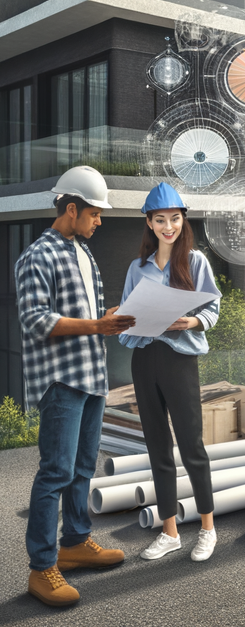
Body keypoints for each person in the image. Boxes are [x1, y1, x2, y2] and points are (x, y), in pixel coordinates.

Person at [15, 166, 136, 607]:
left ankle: (75, 542)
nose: (99, 220)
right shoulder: (36, 257)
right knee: (55, 472)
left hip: (91, 376)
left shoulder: (84, 253)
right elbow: (35, 320)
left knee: (83, 466)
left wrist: (110, 317)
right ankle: (41, 566)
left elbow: (87, 317)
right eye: (95, 213)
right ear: (71, 209)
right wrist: (97, 325)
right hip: (61, 380)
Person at [119, 183, 222, 562]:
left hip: (180, 361)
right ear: (149, 223)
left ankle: (208, 529)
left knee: (192, 446)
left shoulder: (196, 262)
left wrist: (190, 321)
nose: (168, 227)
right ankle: (170, 532)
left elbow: (212, 308)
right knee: (157, 447)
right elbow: (127, 319)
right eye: (160, 220)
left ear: (183, 220)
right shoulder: (137, 268)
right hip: (144, 359)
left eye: (174, 219)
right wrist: (126, 319)